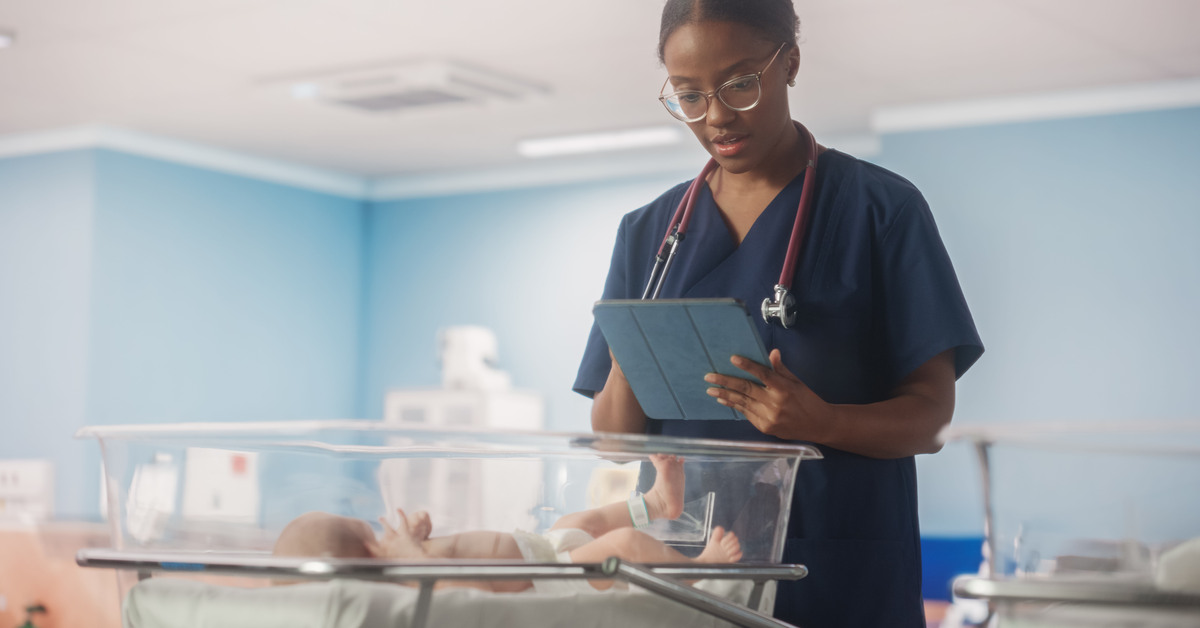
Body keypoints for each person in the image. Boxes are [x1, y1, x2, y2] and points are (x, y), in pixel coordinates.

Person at [573, 1, 985, 626]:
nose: (715, 116)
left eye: (740, 83)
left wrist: (823, 421)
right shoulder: (649, 235)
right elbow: (611, 441)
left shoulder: (882, 210)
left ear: (789, 63)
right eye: (689, 95)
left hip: (839, 574)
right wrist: (640, 348)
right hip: (686, 576)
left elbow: (930, 420)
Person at [273, 455, 743, 593]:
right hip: (546, 579)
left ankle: (660, 502)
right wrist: (411, 555)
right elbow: (447, 590)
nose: (378, 534)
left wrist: (418, 531)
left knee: (583, 518)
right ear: (359, 564)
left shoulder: (399, 555)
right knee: (619, 542)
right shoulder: (403, 581)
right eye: (364, 536)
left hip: (539, 548)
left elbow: (440, 547)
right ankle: (695, 570)